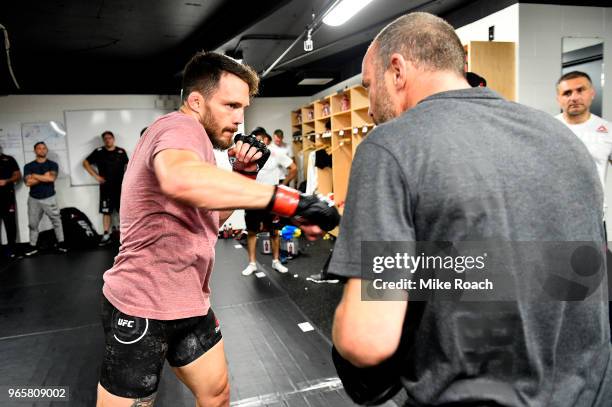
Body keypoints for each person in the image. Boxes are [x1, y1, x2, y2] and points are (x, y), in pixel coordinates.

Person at [330, 12, 611, 406]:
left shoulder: (390, 145)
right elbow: (563, 271)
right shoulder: (560, 136)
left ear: (397, 70)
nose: (372, 108)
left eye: (369, 86)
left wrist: (362, 271)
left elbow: (365, 341)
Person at [97, 51, 339, 407]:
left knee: (217, 396)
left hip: (190, 302)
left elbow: (209, 220)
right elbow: (179, 178)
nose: (240, 119)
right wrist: (289, 201)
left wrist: (243, 176)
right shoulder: (178, 127)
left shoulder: (201, 146)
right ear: (196, 101)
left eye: (243, 108)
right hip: (143, 306)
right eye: (230, 105)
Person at [241, 126, 297, 276]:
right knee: (252, 231)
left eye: (258, 140)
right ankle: (252, 264)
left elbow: (293, 168)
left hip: (272, 198)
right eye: (253, 140)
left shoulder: (276, 153)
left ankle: (276, 261)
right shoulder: (249, 155)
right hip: (253, 198)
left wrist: (282, 186)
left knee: (274, 231)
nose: (255, 143)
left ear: (265, 140)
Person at [555, 71, 612, 210]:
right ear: (558, 99)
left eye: (580, 90)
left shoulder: (608, 130)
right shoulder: (547, 128)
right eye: (567, 93)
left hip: (594, 215)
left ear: (592, 93)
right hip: (555, 215)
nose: (574, 97)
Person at [83, 131, 129, 245]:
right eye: (106, 138)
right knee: (106, 212)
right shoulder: (99, 152)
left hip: (120, 187)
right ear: (104, 140)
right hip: (106, 187)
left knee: (122, 212)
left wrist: (128, 180)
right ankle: (106, 235)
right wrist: (96, 176)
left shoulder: (121, 151)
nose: (108, 140)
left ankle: (126, 236)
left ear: (113, 139)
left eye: (110, 138)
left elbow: (128, 166)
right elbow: (85, 163)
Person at [23, 142, 68, 255]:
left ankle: (61, 243)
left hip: (49, 197)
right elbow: (28, 182)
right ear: (34, 150)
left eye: (44, 148)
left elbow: (51, 179)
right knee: (33, 224)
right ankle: (32, 246)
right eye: (39, 148)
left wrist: (34, 175)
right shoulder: (28, 166)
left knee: (56, 221)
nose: (42, 150)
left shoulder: (52, 164)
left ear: (46, 150)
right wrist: (45, 177)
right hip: (34, 199)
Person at [0, 145, 21, 259]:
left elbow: (17, 175)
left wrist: (6, 181)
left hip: (7, 197)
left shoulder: (9, 159)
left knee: (10, 224)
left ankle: (12, 249)